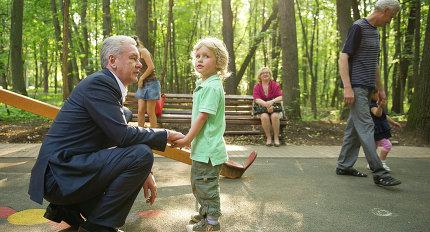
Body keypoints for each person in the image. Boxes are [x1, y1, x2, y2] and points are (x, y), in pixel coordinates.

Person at [28, 35, 184, 232]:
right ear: (112, 61)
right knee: (142, 154)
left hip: (72, 171)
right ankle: (97, 227)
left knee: (139, 152)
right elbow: (123, 136)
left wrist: (146, 171)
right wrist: (166, 134)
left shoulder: (108, 88)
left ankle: (92, 218)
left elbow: (118, 139)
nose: (139, 65)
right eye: (133, 58)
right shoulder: (100, 84)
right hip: (60, 175)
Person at [336, 0, 402, 187]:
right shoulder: (358, 27)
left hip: (367, 87)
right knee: (366, 126)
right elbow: (343, 57)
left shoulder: (375, 32)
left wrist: (380, 88)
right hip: (356, 85)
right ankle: (379, 172)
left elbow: (375, 64)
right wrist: (347, 87)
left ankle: (344, 165)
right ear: (386, 11)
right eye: (392, 16)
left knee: (354, 129)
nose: (391, 20)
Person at [173, 37, 229, 232]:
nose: (200, 60)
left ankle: (212, 222)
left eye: (206, 56)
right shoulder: (205, 84)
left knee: (206, 185)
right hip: (202, 148)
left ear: (219, 62)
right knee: (198, 183)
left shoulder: (212, 87)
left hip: (209, 150)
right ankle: (205, 211)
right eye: (197, 56)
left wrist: (187, 138)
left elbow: (203, 116)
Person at [366, 89, 401, 171]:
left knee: (374, 147)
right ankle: (382, 163)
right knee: (387, 145)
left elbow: (384, 115)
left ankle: (371, 163)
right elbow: (377, 114)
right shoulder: (372, 105)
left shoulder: (376, 104)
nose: (380, 96)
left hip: (380, 129)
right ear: (372, 95)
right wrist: (380, 106)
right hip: (378, 130)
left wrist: (393, 123)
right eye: (378, 94)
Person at [252, 67, 283, 147]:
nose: (265, 74)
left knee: (275, 116)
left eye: (267, 73)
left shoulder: (275, 85)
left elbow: (280, 97)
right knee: (264, 117)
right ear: (260, 76)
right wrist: (266, 105)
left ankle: (276, 138)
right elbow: (257, 99)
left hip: (274, 107)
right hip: (261, 108)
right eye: (263, 73)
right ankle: (268, 138)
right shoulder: (257, 86)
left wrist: (272, 102)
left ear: (270, 75)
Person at [133, 36, 160, 128]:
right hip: (143, 84)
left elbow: (151, 67)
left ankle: (154, 135)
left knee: (150, 112)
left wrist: (141, 78)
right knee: (140, 110)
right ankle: (140, 133)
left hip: (152, 83)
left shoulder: (143, 51)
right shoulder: (134, 55)